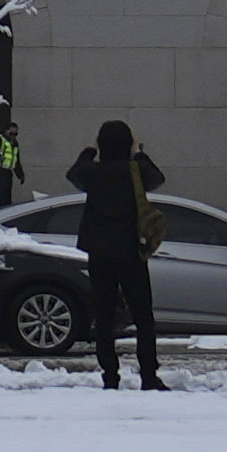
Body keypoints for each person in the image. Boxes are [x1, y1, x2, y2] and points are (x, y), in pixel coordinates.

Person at [63, 114, 165, 391]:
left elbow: (74, 173)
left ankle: (110, 376)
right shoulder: (135, 170)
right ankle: (148, 375)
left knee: (105, 316)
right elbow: (157, 179)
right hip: (131, 251)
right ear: (128, 144)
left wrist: (90, 149)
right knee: (143, 316)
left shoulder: (93, 173)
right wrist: (139, 153)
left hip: (99, 253)